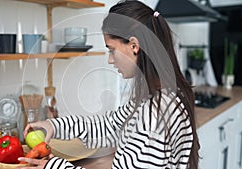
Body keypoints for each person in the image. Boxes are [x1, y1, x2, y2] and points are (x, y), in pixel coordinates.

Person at [17, 0, 200, 168]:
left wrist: (55, 166)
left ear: (134, 46)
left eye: (112, 50)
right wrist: (55, 126)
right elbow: (109, 125)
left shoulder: (157, 113)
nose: (110, 60)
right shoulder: (156, 96)